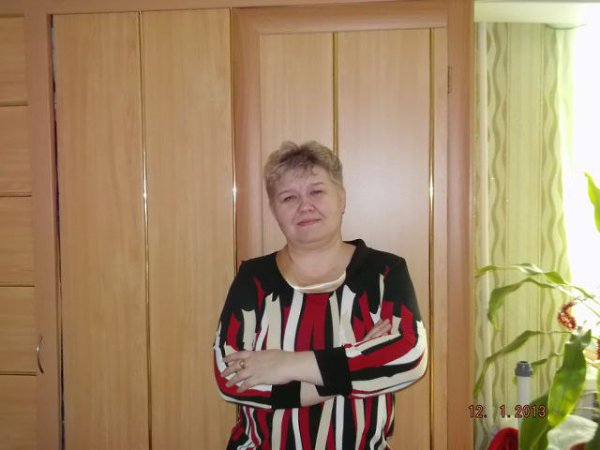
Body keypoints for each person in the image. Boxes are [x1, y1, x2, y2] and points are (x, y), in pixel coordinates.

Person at [213, 141, 427, 449]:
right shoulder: (254, 278)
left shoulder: (384, 272)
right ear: (274, 211)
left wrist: (285, 365)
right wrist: (357, 361)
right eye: (289, 197)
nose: (305, 206)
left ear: (342, 198)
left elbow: (408, 356)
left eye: (316, 191)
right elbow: (229, 377)